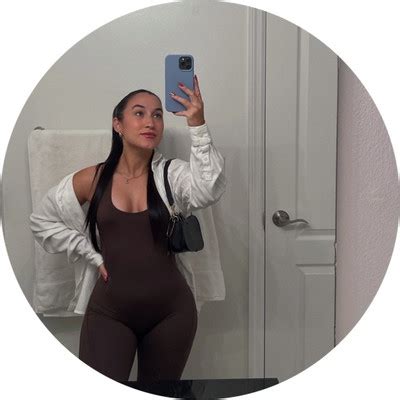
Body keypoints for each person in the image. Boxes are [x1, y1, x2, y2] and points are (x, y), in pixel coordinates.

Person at [71, 75, 225, 382]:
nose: (150, 122)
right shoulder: (94, 178)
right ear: (118, 124)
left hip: (172, 314)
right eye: (139, 113)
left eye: (157, 115)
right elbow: (45, 218)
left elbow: (208, 189)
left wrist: (197, 123)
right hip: (109, 312)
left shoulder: (172, 174)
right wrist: (85, 250)